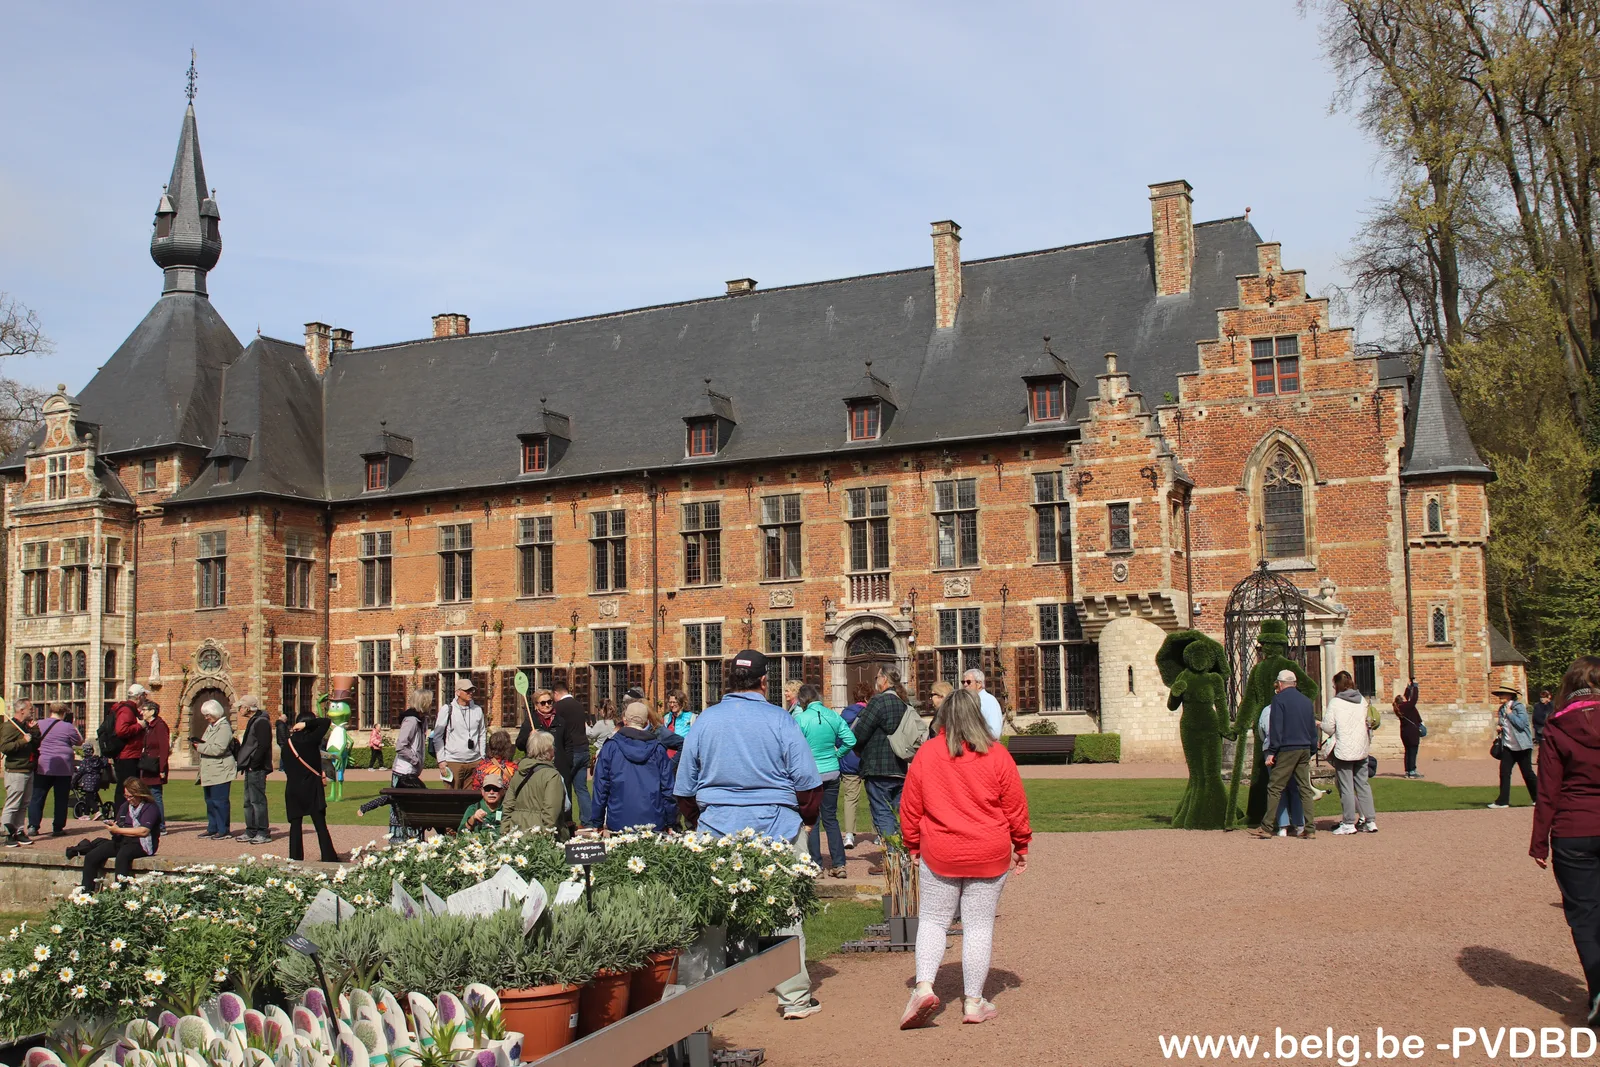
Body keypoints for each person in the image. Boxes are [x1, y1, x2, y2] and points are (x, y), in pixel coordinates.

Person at [674, 649, 823, 1020]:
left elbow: (683, 789)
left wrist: (700, 820)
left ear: (729, 681)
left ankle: (702, 999)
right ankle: (793, 998)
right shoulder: (780, 719)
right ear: (763, 681)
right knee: (785, 913)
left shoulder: (705, 721)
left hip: (717, 827)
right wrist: (805, 817)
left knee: (709, 915)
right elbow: (807, 783)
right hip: (775, 826)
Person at [899, 687, 1031, 1029]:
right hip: (988, 851)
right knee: (978, 926)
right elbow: (1015, 806)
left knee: (932, 920)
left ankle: (924, 986)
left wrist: (913, 845)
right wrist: (1022, 845)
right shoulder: (998, 755)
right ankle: (973, 1002)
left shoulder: (927, 755)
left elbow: (910, 807)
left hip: (940, 851)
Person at [1529, 656, 1600, 1027]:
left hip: (1574, 828)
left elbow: (1548, 792)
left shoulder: (1557, 726)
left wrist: (1539, 842)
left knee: (1586, 917)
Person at [791, 684, 856, 878]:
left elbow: (793, 746)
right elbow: (850, 740)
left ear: (802, 700)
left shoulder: (800, 719)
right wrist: (838, 755)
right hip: (832, 773)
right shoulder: (833, 716)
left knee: (812, 819)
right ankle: (839, 864)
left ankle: (816, 865)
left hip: (810, 775)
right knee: (831, 819)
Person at [1250, 670, 1319, 839]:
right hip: (1304, 748)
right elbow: (1312, 727)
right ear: (1294, 683)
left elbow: (1277, 728)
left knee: (1275, 787)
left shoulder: (1278, 700)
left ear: (1280, 684)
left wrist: (1272, 752)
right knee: (1304, 788)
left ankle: (1266, 827)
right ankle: (1309, 828)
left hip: (1288, 748)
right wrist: (1312, 749)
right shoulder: (1306, 701)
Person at [591, 701, 675, 831]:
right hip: (652, 821)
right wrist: (671, 822)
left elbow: (600, 788)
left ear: (625, 719)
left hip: (620, 821)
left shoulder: (611, 747)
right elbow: (668, 790)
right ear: (646, 721)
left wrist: (597, 822)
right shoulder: (657, 749)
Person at [851, 668, 911, 846]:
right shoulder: (904, 702)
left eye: (877, 677)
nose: (876, 680)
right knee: (898, 813)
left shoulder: (878, 701)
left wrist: (858, 749)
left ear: (884, 679)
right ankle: (901, 855)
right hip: (900, 766)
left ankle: (891, 857)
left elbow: (860, 733)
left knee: (882, 812)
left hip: (878, 766)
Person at [66, 777, 160, 891]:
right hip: (122, 840)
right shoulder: (125, 806)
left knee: (122, 856)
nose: (128, 799)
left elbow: (144, 831)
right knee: (91, 856)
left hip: (140, 843)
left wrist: (118, 830)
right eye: (126, 796)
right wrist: (113, 825)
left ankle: (120, 893)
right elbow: (120, 823)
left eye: (131, 796)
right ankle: (87, 892)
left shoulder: (150, 807)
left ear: (140, 794)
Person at [280, 702, 339, 862]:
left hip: (293, 788)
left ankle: (295, 858)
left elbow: (286, 768)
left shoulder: (287, 745)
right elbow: (326, 722)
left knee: (295, 827)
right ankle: (329, 857)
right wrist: (307, 723)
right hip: (312, 787)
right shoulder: (311, 740)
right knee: (320, 826)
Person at [1322, 671, 1377, 835]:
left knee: (1346, 787)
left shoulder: (1336, 702)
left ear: (1337, 685)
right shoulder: (1362, 701)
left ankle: (1348, 822)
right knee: (1363, 785)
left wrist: (1320, 725)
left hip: (1345, 750)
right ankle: (1370, 821)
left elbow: (1329, 727)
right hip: (1361, 749)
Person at [28, 703, 81, 838]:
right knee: (61, 798)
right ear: (64, 713)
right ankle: (57, 827)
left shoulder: (39, 724)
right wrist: (72, 725)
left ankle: (33, 825)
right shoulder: (68, 727)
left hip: (43, 765)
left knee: (37, 796)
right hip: (63, 767)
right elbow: (79, 741)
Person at [503, 730, 568, 836]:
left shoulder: (519, 773)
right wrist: (546, 837)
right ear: (547, 750)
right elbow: (551, 812)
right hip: (538, 834)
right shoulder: (552, 775)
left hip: (516, 833)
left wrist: (505, 833)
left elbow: (507, 806)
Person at [549, 681, 592, 826]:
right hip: (584, 749)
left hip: (571, 751)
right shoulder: (578, 705)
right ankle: (588, 822)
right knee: (581, 789)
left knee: (565, 786)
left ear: (556, 693)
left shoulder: (559, 707)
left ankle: (567, 821)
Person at [193, 699, 237, 840]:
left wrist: (199, 747)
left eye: (208, 714)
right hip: (209, 770)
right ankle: (213, 827)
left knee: (220, 801)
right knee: (210, 801)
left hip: (220, 769)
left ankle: (223, 830)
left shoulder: (224, 727)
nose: (206, 717)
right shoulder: (211, 726)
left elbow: (219, 749)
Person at [1258, 702, 1303, 836]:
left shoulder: (1268, 710)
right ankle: (1298, 823)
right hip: (1290, 748)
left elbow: (1262, 730)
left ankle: (1283, 825)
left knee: (1278, 788)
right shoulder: (1294, 707)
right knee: (1293, 787)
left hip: (1273, 748)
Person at [233, 694, 273, 845]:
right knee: (248, 800)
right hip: (250, 767)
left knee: (257, 800)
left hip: (257, 767)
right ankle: (251, 830)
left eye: (241, 707)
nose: (239, 710)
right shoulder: (254, 720)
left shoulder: (261, 722)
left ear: (248, 708)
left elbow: (263, 745)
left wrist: (254, 764)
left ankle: (263, 831)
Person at [433, 679, 487, 787]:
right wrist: (441, 760)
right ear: (458, 692)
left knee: (471, 801)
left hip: (474, 762)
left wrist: (482, 756)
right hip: (454, 762)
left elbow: (482, 733)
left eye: (472, 690)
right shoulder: (447, 710)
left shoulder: (477, 710)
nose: (470, 693)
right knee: (452, 799)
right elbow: (437, 736)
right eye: (467, 690)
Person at [1490, 685, 1537, 809]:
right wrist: (1500, 728)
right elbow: (1504, 724)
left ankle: (1538, 799)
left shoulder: (1518, 707)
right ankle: (1502, 801)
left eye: (1502, 694)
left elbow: (1522, 724)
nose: (1500, 696)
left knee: (1527, 773)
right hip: (1508, 746)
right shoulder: (1501, 709)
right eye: (1499, 694)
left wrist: (1510, 714)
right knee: (1504, 772)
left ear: (1510, 695)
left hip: (1522, 746)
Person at [1, 701, 39, 847]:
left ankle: (19, 830)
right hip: (16, 770)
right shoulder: (10, 726)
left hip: (28, 768)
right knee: (13, 804)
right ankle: (6, 832)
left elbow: (35, 744)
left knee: (24, 804)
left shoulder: (25, 726)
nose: (33, 711)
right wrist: (22, 741)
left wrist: (34, 730)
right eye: (30, 709)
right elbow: (4, 747)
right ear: (22, 710)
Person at [107, 684, 150, 812]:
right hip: (127, 755)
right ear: (138, 697)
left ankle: (127, 817)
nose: (145, 698)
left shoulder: (130, 709)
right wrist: (140, 726)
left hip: (130, 754)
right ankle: (120, 819)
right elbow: (122, 731)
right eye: (144, 695)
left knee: (130, 788)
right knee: (125, 788)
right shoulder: (126, 710)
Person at [839, 683, 869, 850]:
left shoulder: (844, 713)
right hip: (867, 759)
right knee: (875, 798)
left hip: (849, 759)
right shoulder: (872, 712)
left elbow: (838, 737)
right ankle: (879, 834)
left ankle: (849, 835)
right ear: (867, 697)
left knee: (850, 799)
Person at [137, 701, 171, 832]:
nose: (142, 712)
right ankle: (149, 822)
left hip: (155, 767)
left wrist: (162, 769)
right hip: (147, 766)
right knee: (147, 797)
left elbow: (164, 749)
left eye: (144, 710)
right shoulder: (149, 726)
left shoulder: (160, 726)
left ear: (152, 711)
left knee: (156, 796)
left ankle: (161, 826)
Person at [962, 669, 1005, 739]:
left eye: (968, 682)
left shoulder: (988, 701)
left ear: (979, 684)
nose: (965, 685)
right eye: (963, 682)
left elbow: (995, 733)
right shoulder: (969, 700)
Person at [1393, 682, 1422, 778]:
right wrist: (1416, 688)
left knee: (1408, 751)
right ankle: (1412, 771)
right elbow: (1414, 700)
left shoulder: (1400, 707)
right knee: (1413, 751)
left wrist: (1409, 688)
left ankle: (1407, 771)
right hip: (1411, 732)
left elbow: (1407, 697)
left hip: (1405, 732)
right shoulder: (1407, 706)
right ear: (1402, 700)